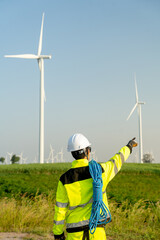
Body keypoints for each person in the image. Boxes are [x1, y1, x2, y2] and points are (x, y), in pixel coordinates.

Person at [53, 133, 138, 240]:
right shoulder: (100, 171)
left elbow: (60, 210)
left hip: (74, 233)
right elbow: (117, 160)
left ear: (72, 154)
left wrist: (58, 233)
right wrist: (129, 147)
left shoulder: (64, 179)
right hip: (96, 231)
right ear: (87, 151)